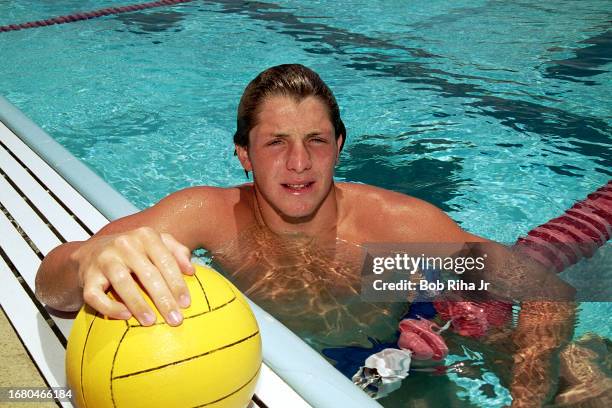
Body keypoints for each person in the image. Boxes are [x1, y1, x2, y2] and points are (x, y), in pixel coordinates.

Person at [35, 64, 575, 407]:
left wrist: (530, 384)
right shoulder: (211, 216)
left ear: (339, 146)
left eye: (316, 139)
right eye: (276, 143)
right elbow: (50, 285)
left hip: (395, 349)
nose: (299, 164)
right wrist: (91, 258)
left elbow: (545, 289)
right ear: (244, 155)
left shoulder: (393, 225)